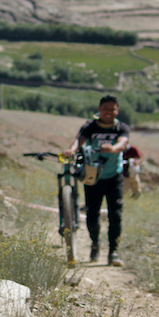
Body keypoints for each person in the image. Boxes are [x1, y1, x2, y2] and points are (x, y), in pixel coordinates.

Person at [67, 95, 130, 266]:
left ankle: (113, 252)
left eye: (113, 109)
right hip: (93, 176)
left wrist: (113, 148)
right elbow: (78, 141)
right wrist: (72, 150)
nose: (109, 112)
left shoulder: (121, 127)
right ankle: (95, 243)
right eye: (105, 109)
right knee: (92, 216)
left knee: (115, 215)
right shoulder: (90, 126)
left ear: (117, 111)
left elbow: (123, 144)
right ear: (99, 109)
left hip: (114, 177)